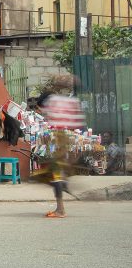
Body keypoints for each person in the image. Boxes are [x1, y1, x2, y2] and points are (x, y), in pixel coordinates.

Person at [37, 75, 85, 218]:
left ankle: (61, 209)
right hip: (65, 141)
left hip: (60, 142)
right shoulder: (70, 101)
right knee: (53, 175)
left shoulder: (55, 101)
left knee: (54, 176)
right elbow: (78, 123)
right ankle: (62, 194)